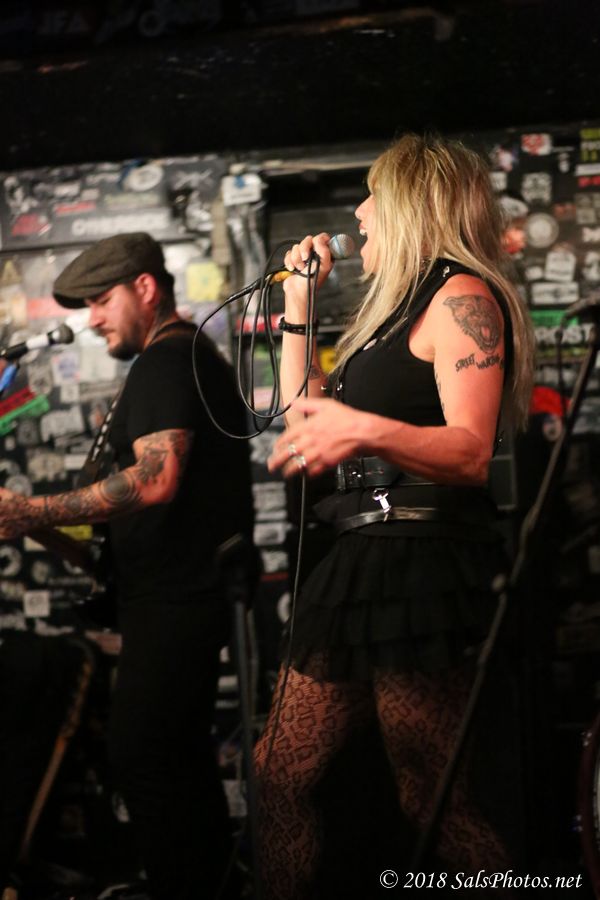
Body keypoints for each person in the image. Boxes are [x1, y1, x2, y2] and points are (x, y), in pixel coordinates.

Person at [254, 134, 535, 898]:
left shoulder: (462, 297)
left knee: (435, 796)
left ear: (410, 204)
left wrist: (366, 429)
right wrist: (300, 306)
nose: (358, 213)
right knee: (278, 772)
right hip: (360, 563)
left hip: (419, 562)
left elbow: (471, 452)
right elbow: (304, 418)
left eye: (372, 196)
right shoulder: (390, 316)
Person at [0, 232, 255, 900]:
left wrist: (32, 509)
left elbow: (157, 478)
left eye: (101, 301)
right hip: (161, 601)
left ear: (145, 288)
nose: (92, 319)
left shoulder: (168, 360)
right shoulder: (169, 360)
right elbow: (111, 533)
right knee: (175, 763)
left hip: (177, 603)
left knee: (145, 759)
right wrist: (34, 522)